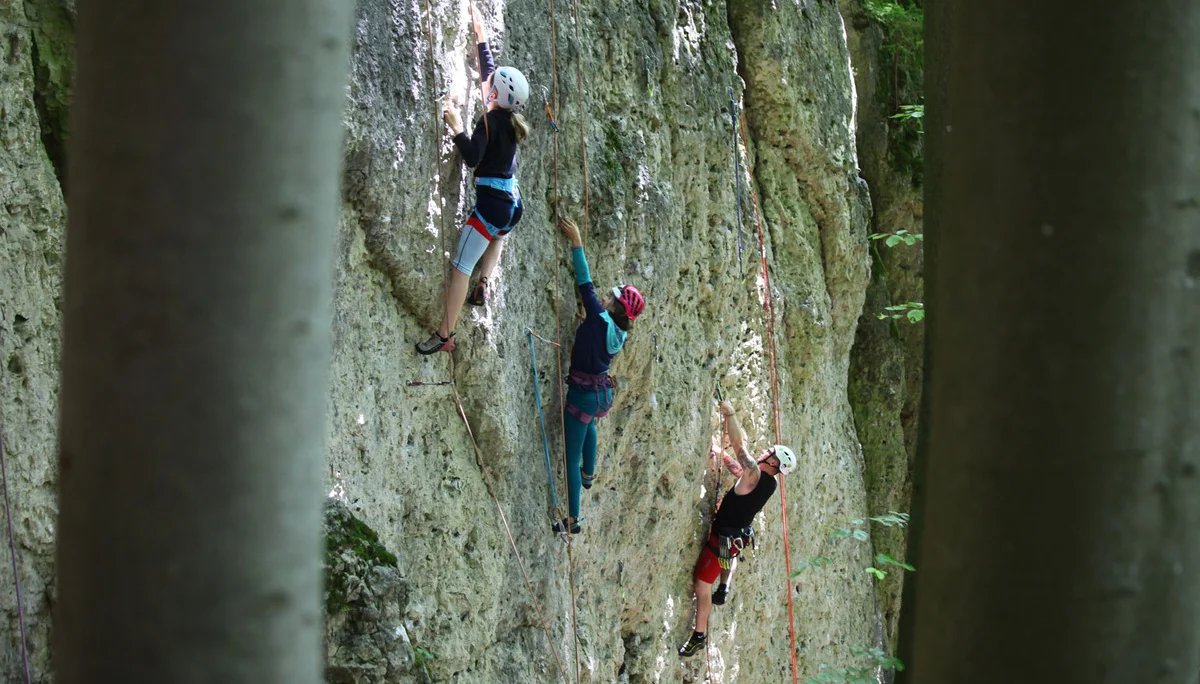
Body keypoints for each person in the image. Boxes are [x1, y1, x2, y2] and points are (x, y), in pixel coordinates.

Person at [416, 3, 531, 355]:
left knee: (460, 266)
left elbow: (471, 157)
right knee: (498, 236)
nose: (487, 86)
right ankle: (487, 281)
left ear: (494, 96)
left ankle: (444, 335)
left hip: (492, 208)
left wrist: (455, 127)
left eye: (490, 88)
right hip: (512, 207)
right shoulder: (507, 117)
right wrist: (480, 35)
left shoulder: (488, 121)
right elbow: (490, 73)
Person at [678, 400, 796, 657]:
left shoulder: (756, 474)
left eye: (770, 451)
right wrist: (722, 455)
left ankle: (699, 636)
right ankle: (725, 585)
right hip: (736, 537)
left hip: (722, 537)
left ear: (774, 463)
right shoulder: (767, 483)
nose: (766, 450)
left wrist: (730, 413)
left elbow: (741, 447)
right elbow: (741, 471)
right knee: (727, 557)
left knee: (700, 585)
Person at [553, 216, 645, 534]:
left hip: (584, 394)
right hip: (601, 392)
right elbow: (595, 329)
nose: (605, 298)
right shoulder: (619, 332)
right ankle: (590, 474)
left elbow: (584, 283)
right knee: (589, 423)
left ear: (616, 307)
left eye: (611, 297)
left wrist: (576, 241)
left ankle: (574, 518)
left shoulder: (599, 316)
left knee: (570, 457)